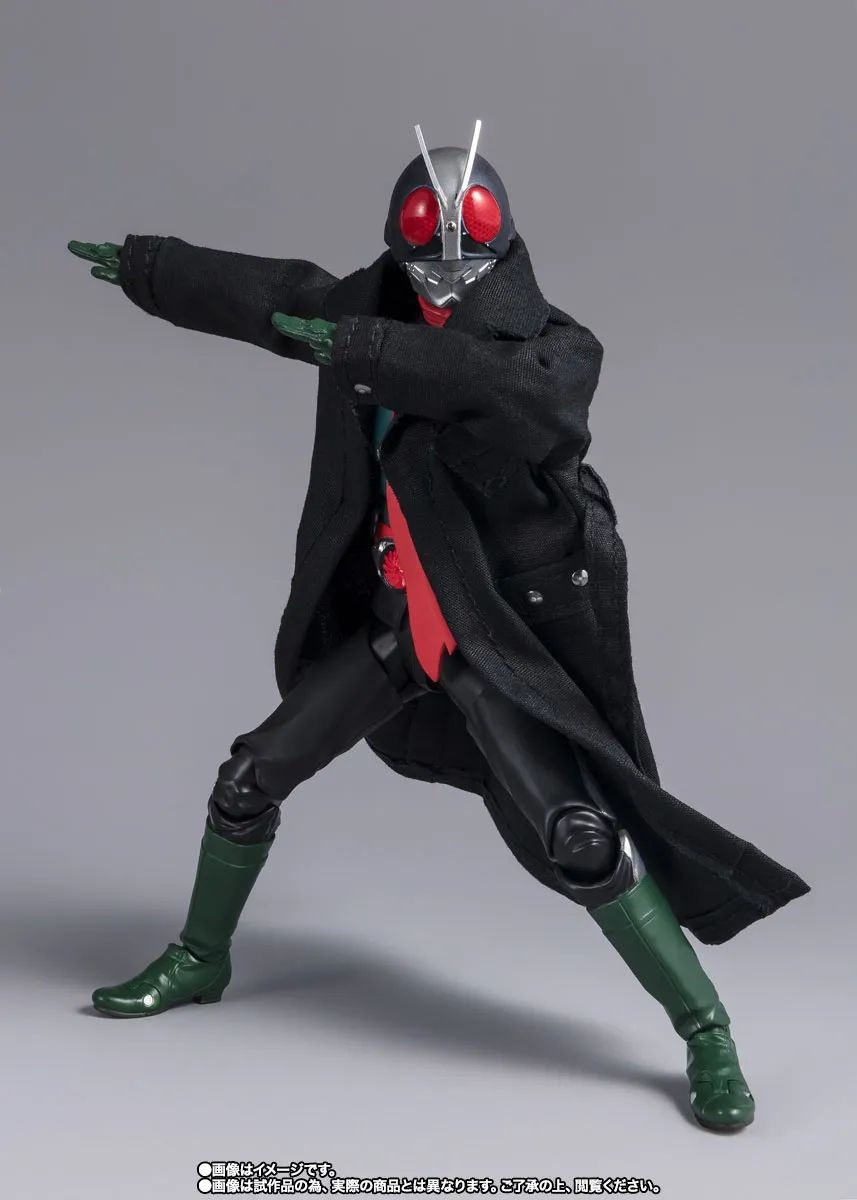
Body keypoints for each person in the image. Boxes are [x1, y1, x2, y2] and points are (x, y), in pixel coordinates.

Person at [68, 121, 808, 1131]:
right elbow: (273, 295)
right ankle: (200, 957)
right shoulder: (359, 313)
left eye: (468, 250)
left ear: (502, 248)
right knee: (247, 779)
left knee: (582, 836)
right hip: (391, 627)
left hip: (483, 640)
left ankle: (706, 1031)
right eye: (427, 247)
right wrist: (155, 270)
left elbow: (509, 395)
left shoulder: (551, 351)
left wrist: (367, 350)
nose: (448, 270)